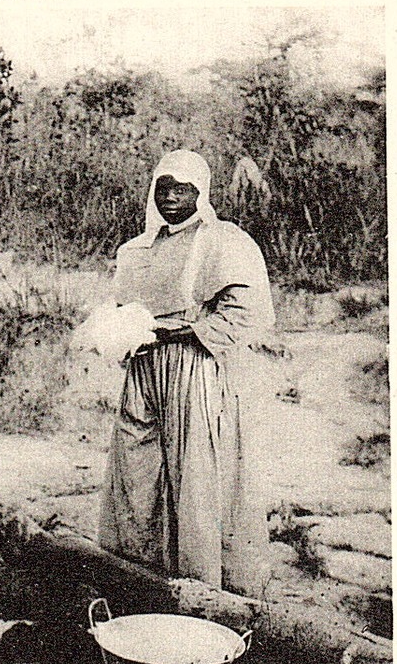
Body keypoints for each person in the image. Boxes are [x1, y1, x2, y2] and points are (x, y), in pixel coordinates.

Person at [98, 150, 275, 596]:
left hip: (193, 367)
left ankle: (200, 590)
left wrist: (182, 335)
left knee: (193, 470)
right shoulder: (137, 250)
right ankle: (136, 580)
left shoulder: (222, 242)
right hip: (144, 367)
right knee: (136, 467)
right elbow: (126, 310)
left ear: (202, 194)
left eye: (184, 189)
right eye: (164, 188)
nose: (172, 197)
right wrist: (123, 334)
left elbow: (243, 310)